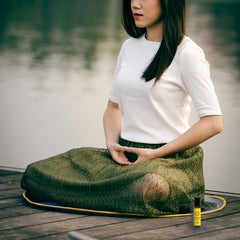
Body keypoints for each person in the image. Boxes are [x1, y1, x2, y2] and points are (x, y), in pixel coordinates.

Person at [21, 0, 223, 216]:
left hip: (169, 162)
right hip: (126, 159)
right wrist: (112, 144)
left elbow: (213, 122)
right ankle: (109, 193)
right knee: (36, 173)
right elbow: (112, 107)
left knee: (148, 186)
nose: (135, 4)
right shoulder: (129, 47)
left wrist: (156, 153)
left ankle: (94, 192)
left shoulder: (187, 53)